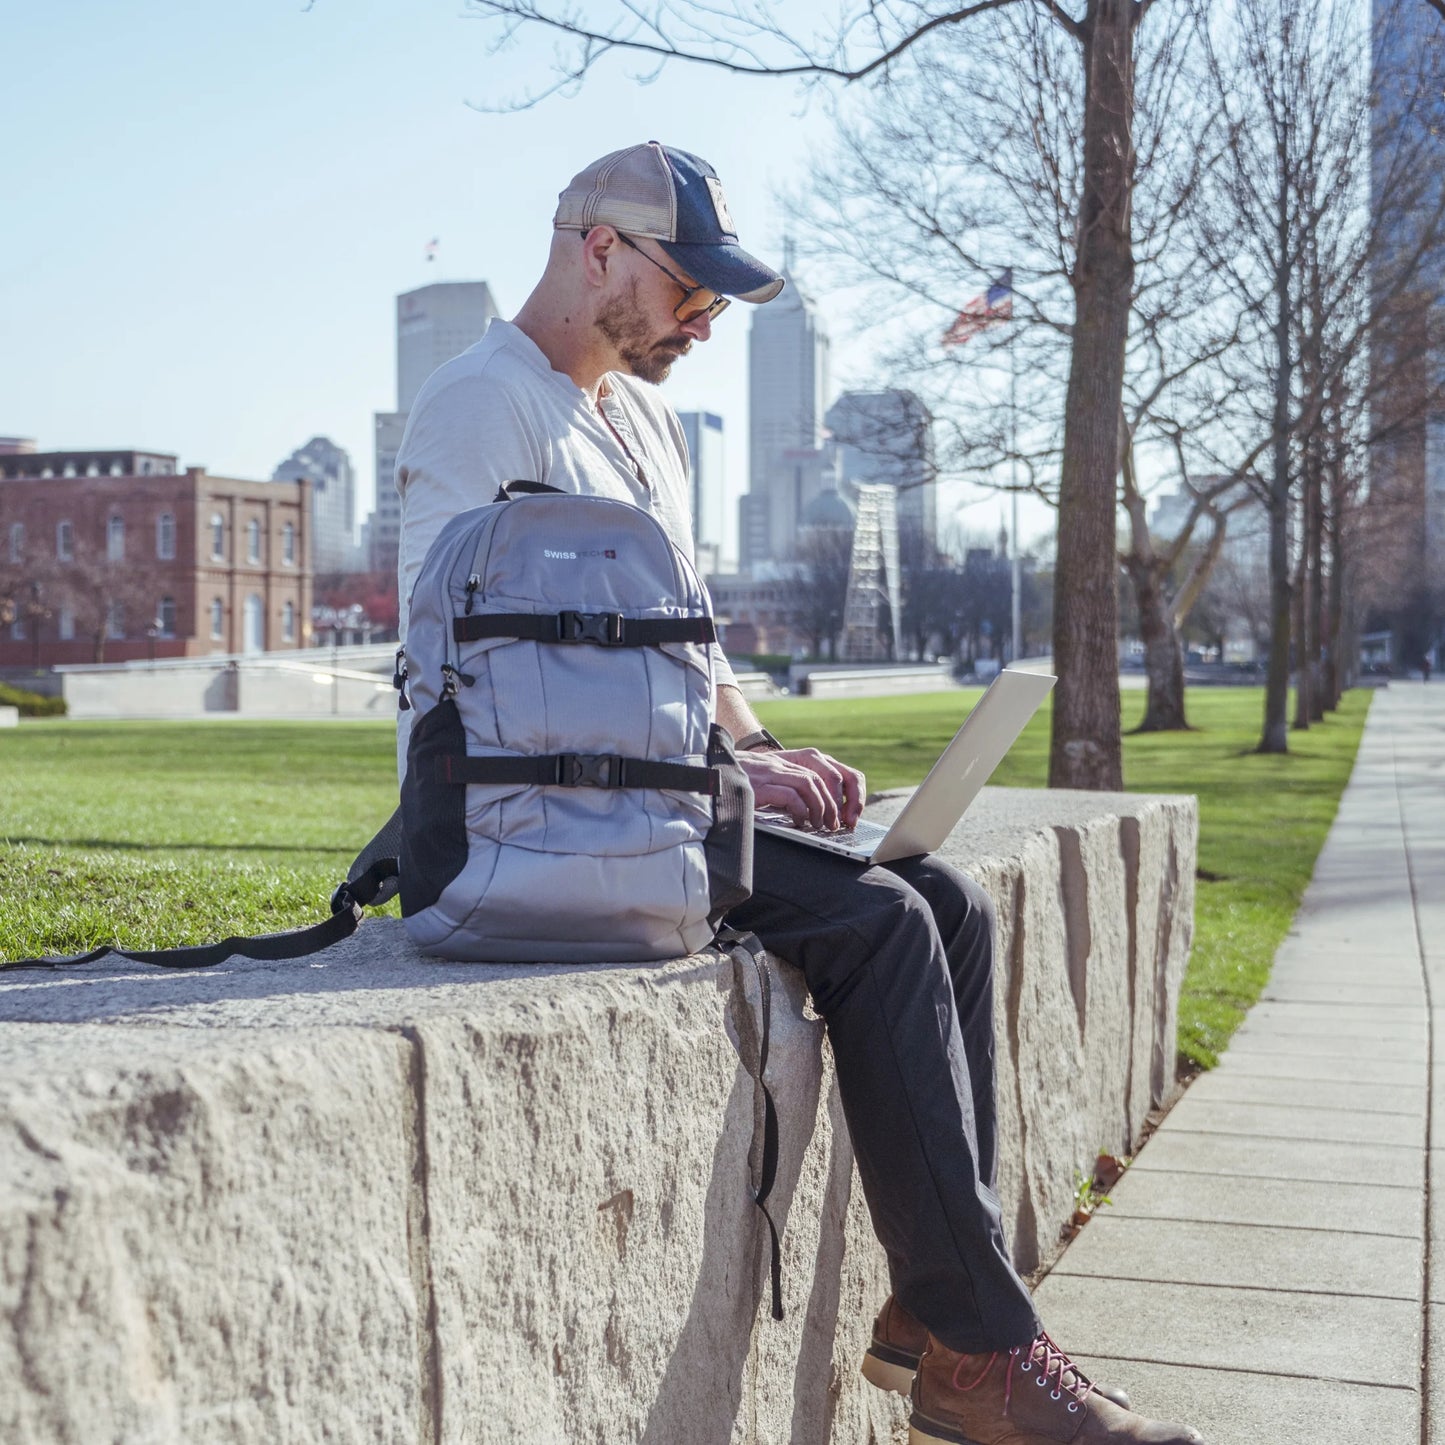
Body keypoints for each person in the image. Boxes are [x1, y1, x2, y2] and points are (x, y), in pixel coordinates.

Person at [395, 142, 1204, 1445]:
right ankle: (982, 1354)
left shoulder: (633, 419)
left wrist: (767, 757)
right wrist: (713, 771)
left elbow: (680, 648)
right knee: (877, 926)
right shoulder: (479, 405)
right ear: (595, 246)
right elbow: (473, 668)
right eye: (689, 290)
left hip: (643, 805)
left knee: (941, 897)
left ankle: (926, 1318)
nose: (705, 321)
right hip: (522, 823)